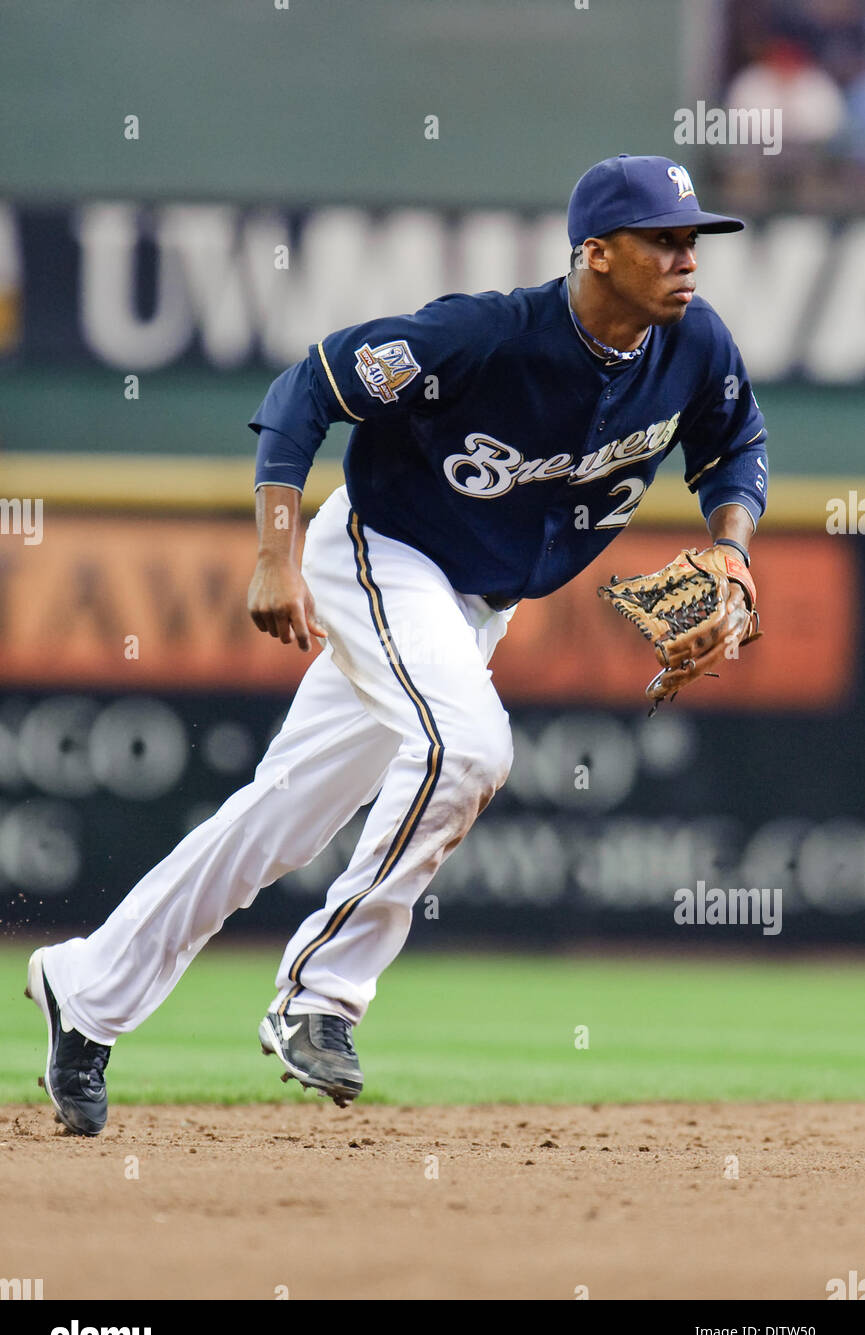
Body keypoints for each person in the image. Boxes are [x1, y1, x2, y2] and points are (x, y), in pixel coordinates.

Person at [26, 155, 767, 1135]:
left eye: (692, 239)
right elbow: (307, 389)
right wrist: (272, 558)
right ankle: (319, 995)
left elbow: (732, 445)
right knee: (468, 749)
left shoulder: (692, 345)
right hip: (381, 552)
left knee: (280, 820)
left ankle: (86, 988)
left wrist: (730, 551)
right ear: (596, 252)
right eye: (663, 239)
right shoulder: (479, 336)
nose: (686, 258)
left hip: (475, 602)